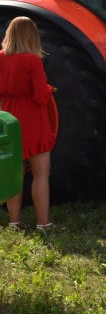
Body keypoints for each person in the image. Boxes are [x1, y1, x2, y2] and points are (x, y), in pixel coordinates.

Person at [0, 17, 56, 231]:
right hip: (33, 119)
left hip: (9, 117)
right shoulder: (33, 60)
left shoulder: (0, 58)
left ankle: (14, 221)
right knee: (41, 174)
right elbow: (41, 96)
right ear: (31, 35)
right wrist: (50, 89)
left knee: (14, 173)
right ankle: (43, 223)